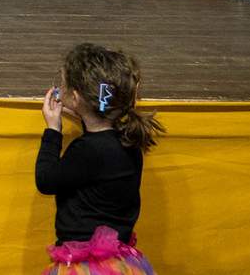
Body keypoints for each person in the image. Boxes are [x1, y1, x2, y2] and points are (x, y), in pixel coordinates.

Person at [35, 43, 162, 275]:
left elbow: (46, 180)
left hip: (84, 266)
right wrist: (85, 117)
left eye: (62, 83)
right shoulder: (128, 142)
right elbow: (101, 155)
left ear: (74, 97)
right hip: (120, 264)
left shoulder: (86, 150)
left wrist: (53, 129)